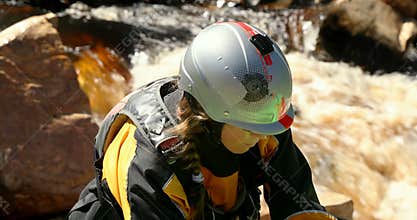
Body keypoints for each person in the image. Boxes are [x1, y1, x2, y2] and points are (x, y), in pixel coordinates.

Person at [68, 21, 326, 220]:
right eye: (249, 129)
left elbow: (301, 207)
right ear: (208, 115)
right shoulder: (146, 160)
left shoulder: (261, 118)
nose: (261, 136)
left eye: (268, 127)